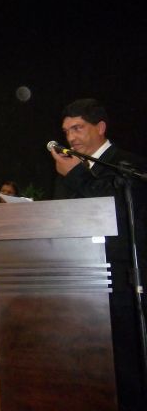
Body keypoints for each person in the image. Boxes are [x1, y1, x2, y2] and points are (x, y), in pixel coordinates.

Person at [49, 98, 147, 410]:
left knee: (127, 365)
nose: (71, 137)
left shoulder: (127, 165)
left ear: (100, 127)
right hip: (81, 279)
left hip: (123, 281)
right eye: (67, 131)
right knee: (93, 364)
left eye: (78, 128)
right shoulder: (70, 171)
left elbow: (114, 215)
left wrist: (75, 176)